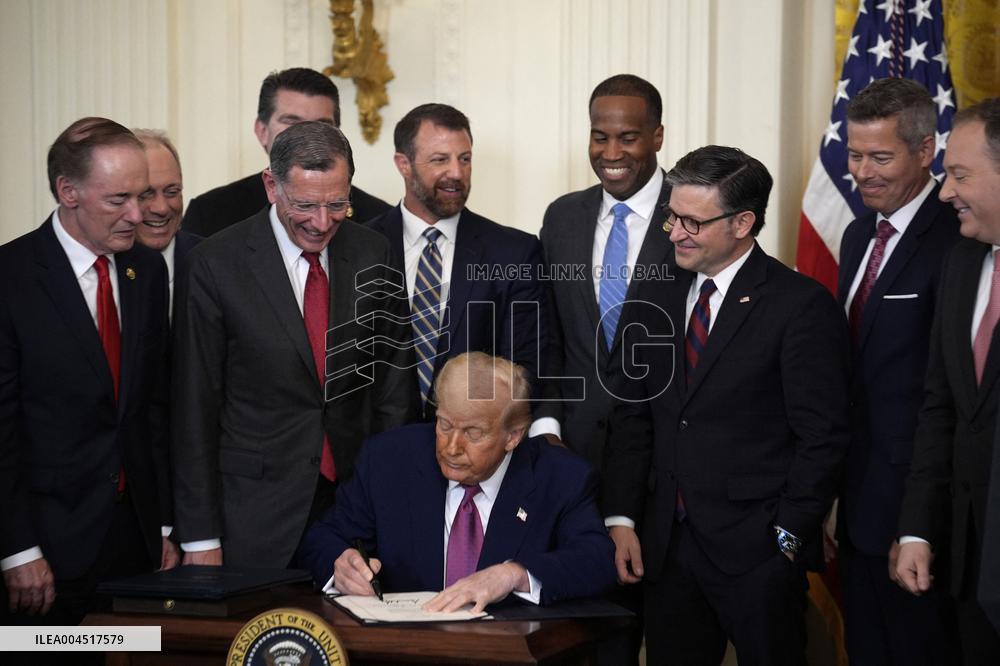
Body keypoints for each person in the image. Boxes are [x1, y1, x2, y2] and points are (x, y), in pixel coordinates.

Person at [603, 145, 851, 665]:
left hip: (757, 552)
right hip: (666, 550)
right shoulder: (655, 294)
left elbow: (822, 437)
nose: (674, 233)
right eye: (673, 216)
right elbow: (633, 413)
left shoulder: (800, 306)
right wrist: (622, 517)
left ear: (743, 222)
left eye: (692, 222)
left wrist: (786, 537)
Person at [171, 121, 416, 570]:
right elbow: (194, 409)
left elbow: (393, 394)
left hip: (352, 507)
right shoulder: (215, 264)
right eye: (305, 204)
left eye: (337, 204)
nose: (322, 223)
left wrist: (391, 507)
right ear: (271, 186)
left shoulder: (373, 252)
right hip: (252, 513)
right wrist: (199, 536)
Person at [0, 118, 177, 630]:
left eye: (141, 196)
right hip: (46, 550)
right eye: (118, 199)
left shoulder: (146, 271)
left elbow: (152, 408)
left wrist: (162, 523)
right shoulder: (12, 279)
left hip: (135, 544)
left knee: (132, 657)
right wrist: (17, 550)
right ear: (68, 192)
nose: (138, 214)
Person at [298, 352, 616, 611]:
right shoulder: (389, 460)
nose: (451, 447)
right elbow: (322, 538)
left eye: (473, 433)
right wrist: (340, 564)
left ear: (514, 436)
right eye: (445, 425)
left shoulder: (560, 477)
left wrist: (515, 575)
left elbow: (597, 560)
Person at [535, 73, 673, 665]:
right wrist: (545, 425)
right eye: (599, 136)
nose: (611, 153)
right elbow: (547, 334)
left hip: (666, 468)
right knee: (568, 635)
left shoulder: (692, 215)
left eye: (628, 137)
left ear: (658, 137)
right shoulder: (562, 217)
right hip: (572, 461)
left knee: (653, 633)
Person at [836, 77, 961, 665]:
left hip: (918, 517)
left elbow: (946, 399)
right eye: (855, 155)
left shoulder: (957, 238)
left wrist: (918, 525)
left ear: (926, 151)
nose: (863, 172)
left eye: (880, 157)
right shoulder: (859, 233)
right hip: (854, 506)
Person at [896, 97, 1000, 665]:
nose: (943, 192)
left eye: (960, 175)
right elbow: (940, 407)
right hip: (966, 564)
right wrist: (917, 530)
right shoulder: (960, 262)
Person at [367, 104, 545, 418]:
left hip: (478, 449)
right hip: (375, 450)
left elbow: (525, 365)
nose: (457, 173)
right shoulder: (361, 247)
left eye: (465, 159)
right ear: (403, 164)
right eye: (440, 160)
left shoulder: (514, 252)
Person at [182, 67, 390, 236]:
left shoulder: (377, 219)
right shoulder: (211, 214)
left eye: (322, 126)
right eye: (292, 123)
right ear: (262, 131)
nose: (308, 136)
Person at [132, 129, 202, 318]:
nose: (161, 208)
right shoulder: (101, 268)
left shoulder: (214, 262)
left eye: (172, 192)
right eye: (146, 194)